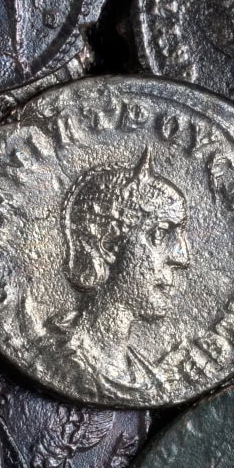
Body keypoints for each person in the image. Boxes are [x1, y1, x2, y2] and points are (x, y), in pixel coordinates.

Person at [40, 152, 190, 395]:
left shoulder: (144, 375)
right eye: (160, 234)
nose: (182, 257)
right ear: (109, 246)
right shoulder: (60, 362)